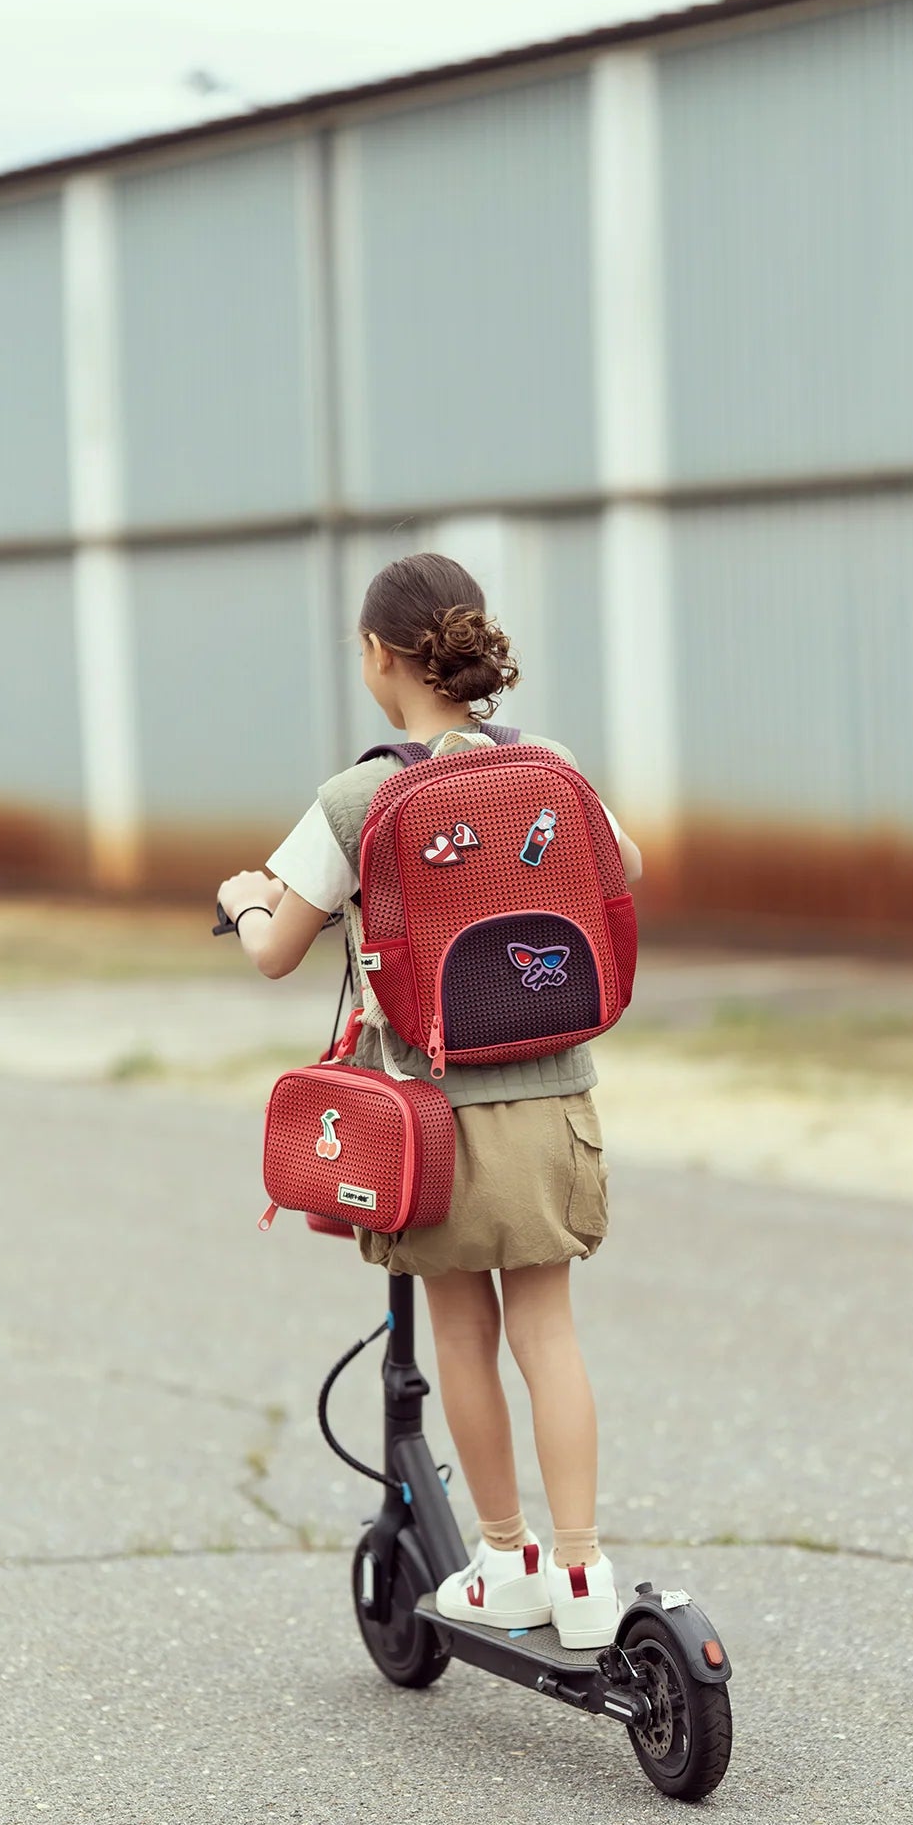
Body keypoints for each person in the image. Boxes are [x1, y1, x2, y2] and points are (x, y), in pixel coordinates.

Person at [217, 553, 642, 1649]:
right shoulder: (546, 762)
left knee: (464, 1326)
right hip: (555, 1097)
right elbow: (622, 865)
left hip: (434, 1118)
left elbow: (273, 948)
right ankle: (586, 1571)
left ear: (378, 655)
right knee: (549, 1330)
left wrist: (240, 895)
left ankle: (503, 1559)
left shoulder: (355, 796)